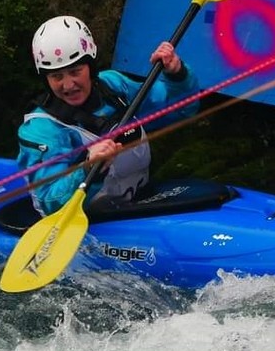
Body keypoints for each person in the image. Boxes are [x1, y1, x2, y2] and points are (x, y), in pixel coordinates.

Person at [17, 15, 200, 216]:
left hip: (138, 204)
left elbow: (182, 109)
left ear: (90, 67)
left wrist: (177, 75)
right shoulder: (42, 129)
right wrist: (87, 169)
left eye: (75, 71)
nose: (68, 85)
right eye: (56, 76)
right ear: (46, 79)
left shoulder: (113, 87)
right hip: (89, 224)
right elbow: (48, 203)